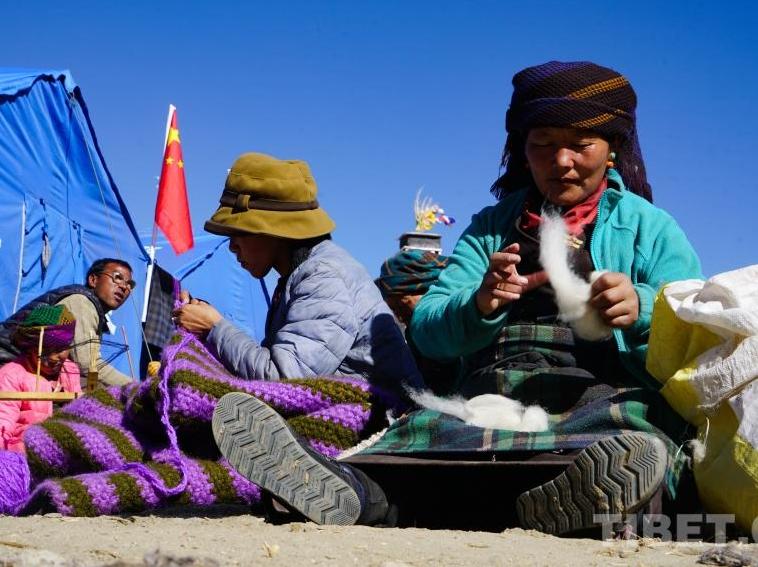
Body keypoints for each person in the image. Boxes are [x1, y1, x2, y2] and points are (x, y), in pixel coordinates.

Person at [212, 61, 703, 535]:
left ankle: (581, 493)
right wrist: (480, 304)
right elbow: (427, 330)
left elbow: (696, 338)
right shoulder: (490, 228)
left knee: (629, 437)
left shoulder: (649, 229)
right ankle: (354, 489)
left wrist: (641, 309)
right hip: (493, 395)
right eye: (543, 145)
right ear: (521, 149)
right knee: (429, 435)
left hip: (598, 393)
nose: (561, 161)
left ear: (613, 148)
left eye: (581, 145)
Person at [173, 152, 422, 398]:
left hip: (387, 424)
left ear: (274, 231)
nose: (232, 246)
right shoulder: (297, 277)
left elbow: (284, 381)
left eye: (239, 232)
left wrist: (214, 328)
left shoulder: (324, 276)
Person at [0, 258, 136, 387]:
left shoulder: (93, 309)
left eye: (129, 284)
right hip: (9, 369)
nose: (124, 287)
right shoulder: (81, 302)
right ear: (93, 280)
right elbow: (88, 365)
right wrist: (136, 387)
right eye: (117, 277)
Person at [375, 249, 458, 394]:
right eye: (393, 310)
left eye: (402, 306)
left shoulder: (462, 326)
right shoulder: (414, 336)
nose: (399, 317)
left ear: (431, 293)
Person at [0, 304, 81, 452]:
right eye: (47, 349)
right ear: (31, 347)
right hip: (25, 453)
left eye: (62, 348)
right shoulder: (11, 375)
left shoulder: (69, 370)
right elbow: (2, 427)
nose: (55, 357)